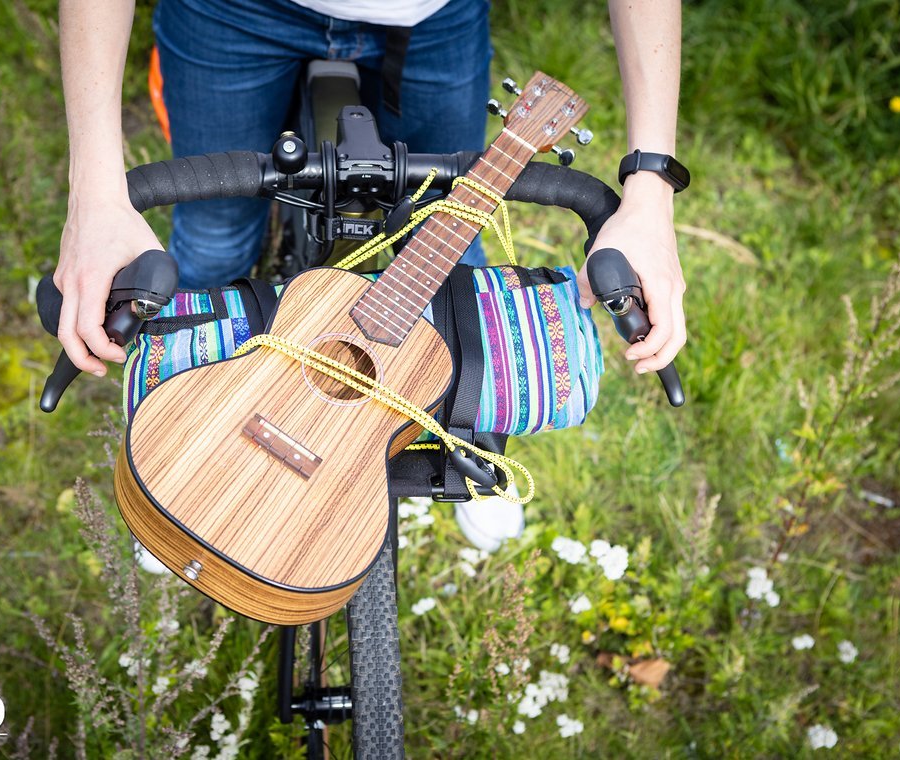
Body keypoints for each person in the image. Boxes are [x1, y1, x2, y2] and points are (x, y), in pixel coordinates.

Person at [53, 0, 687, 552]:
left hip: (433, 19)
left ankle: (470, 439)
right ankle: (180, 468)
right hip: (226, 16)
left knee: (455, 251)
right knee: (215, 236)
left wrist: (651, 191)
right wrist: (96, 193)